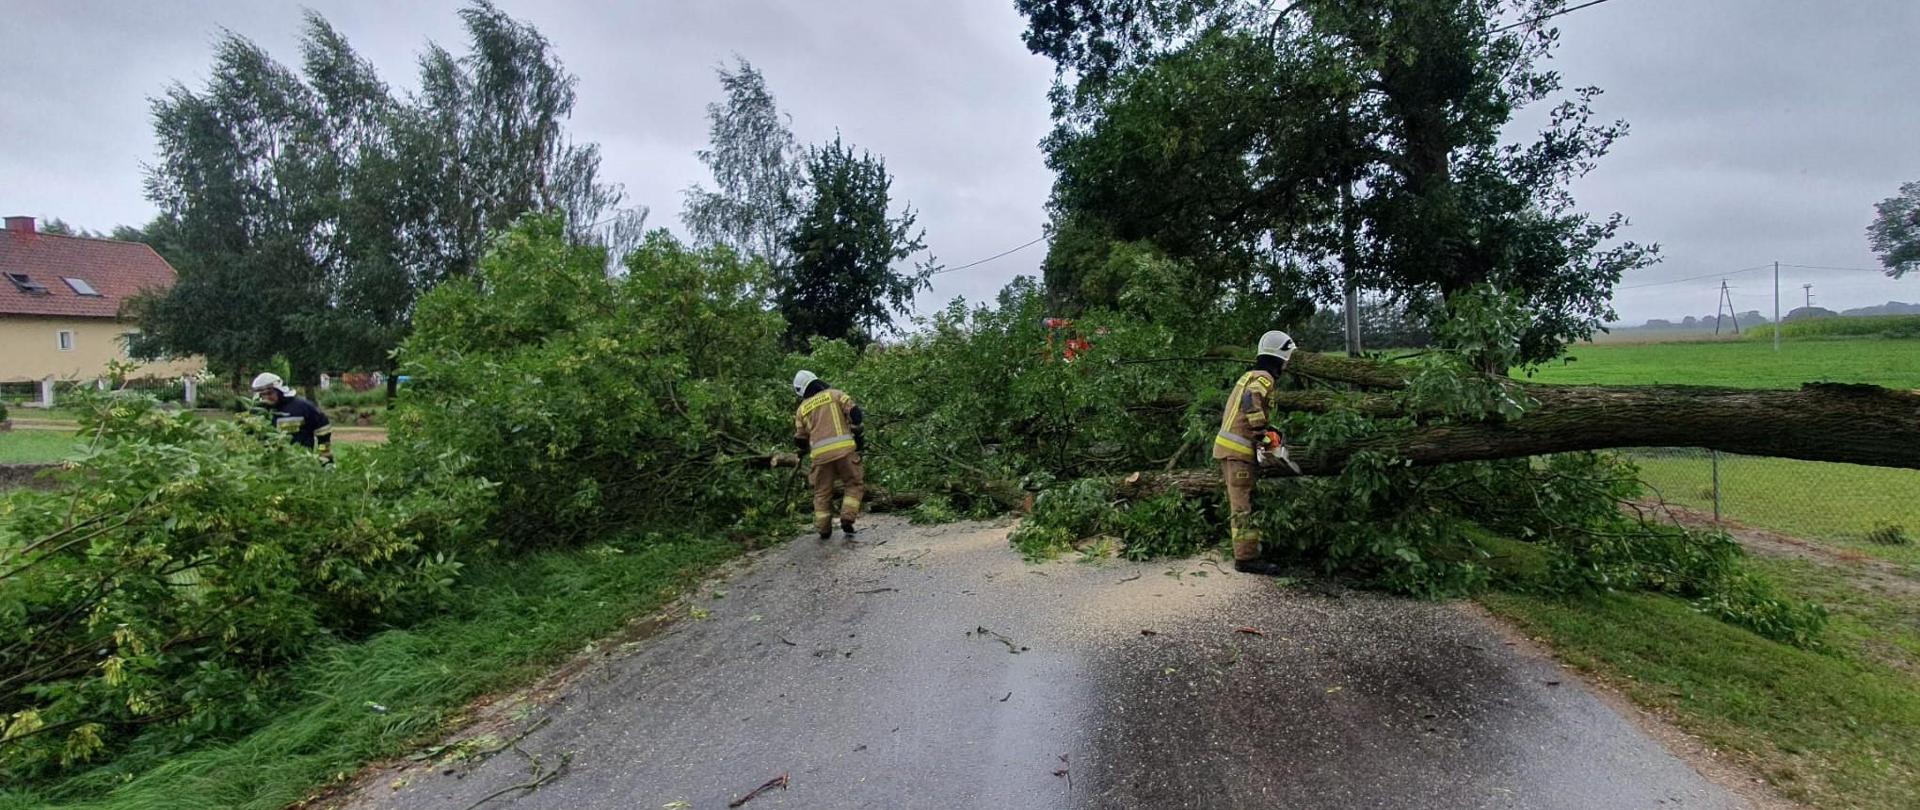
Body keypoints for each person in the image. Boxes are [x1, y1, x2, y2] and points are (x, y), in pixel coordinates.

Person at [1211, 331, 1294, 575]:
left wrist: (1267, 433)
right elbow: (1251, 400)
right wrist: (1262, 433)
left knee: (1241, 503)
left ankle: (1247, 550)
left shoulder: (1248, 375)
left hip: (1229, 450)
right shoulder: (1264, 378)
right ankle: (1246, 559)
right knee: (1242, 507)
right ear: (1280, 356)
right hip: (1237, 453)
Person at [791, 370, 865, 539]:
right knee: (854, 483)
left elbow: (800, 439)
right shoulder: (836, 394)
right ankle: (847, 517)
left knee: (821, 492)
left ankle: (824, 529)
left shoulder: (801, 410)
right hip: (845, 451)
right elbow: (856, 415)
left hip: (820, 458)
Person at [250, 372, 334, 466]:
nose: (267, 398)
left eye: (270, 393)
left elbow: (323, 433)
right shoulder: (257, 412)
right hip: (269, 467)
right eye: (262, 395)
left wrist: (325, 457)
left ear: (279, 390)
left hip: (301, 465)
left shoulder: (303, 407)